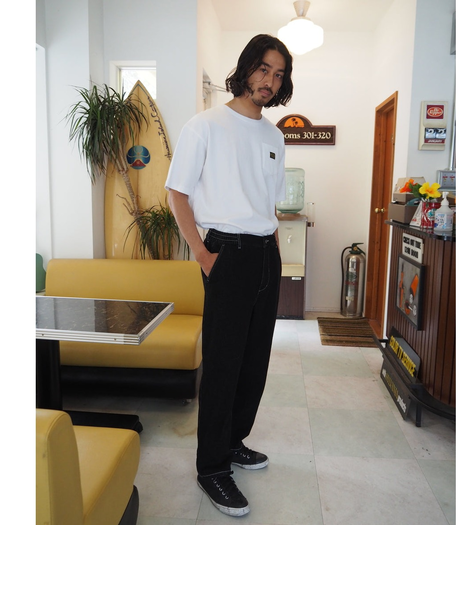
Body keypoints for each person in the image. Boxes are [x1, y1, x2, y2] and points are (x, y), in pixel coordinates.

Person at [165, 34, 294, 517]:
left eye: (278, 74)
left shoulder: (275, 137)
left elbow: (269, 206)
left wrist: (274, 254)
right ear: (245, 69)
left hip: (265, 256)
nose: (269, 81)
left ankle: (233, 440)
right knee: (222, 363)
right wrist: (203, 256)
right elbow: (177, 194)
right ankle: (212, 468)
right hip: (227, 254)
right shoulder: (205, 126)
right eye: (263, 69)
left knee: (254, 362)